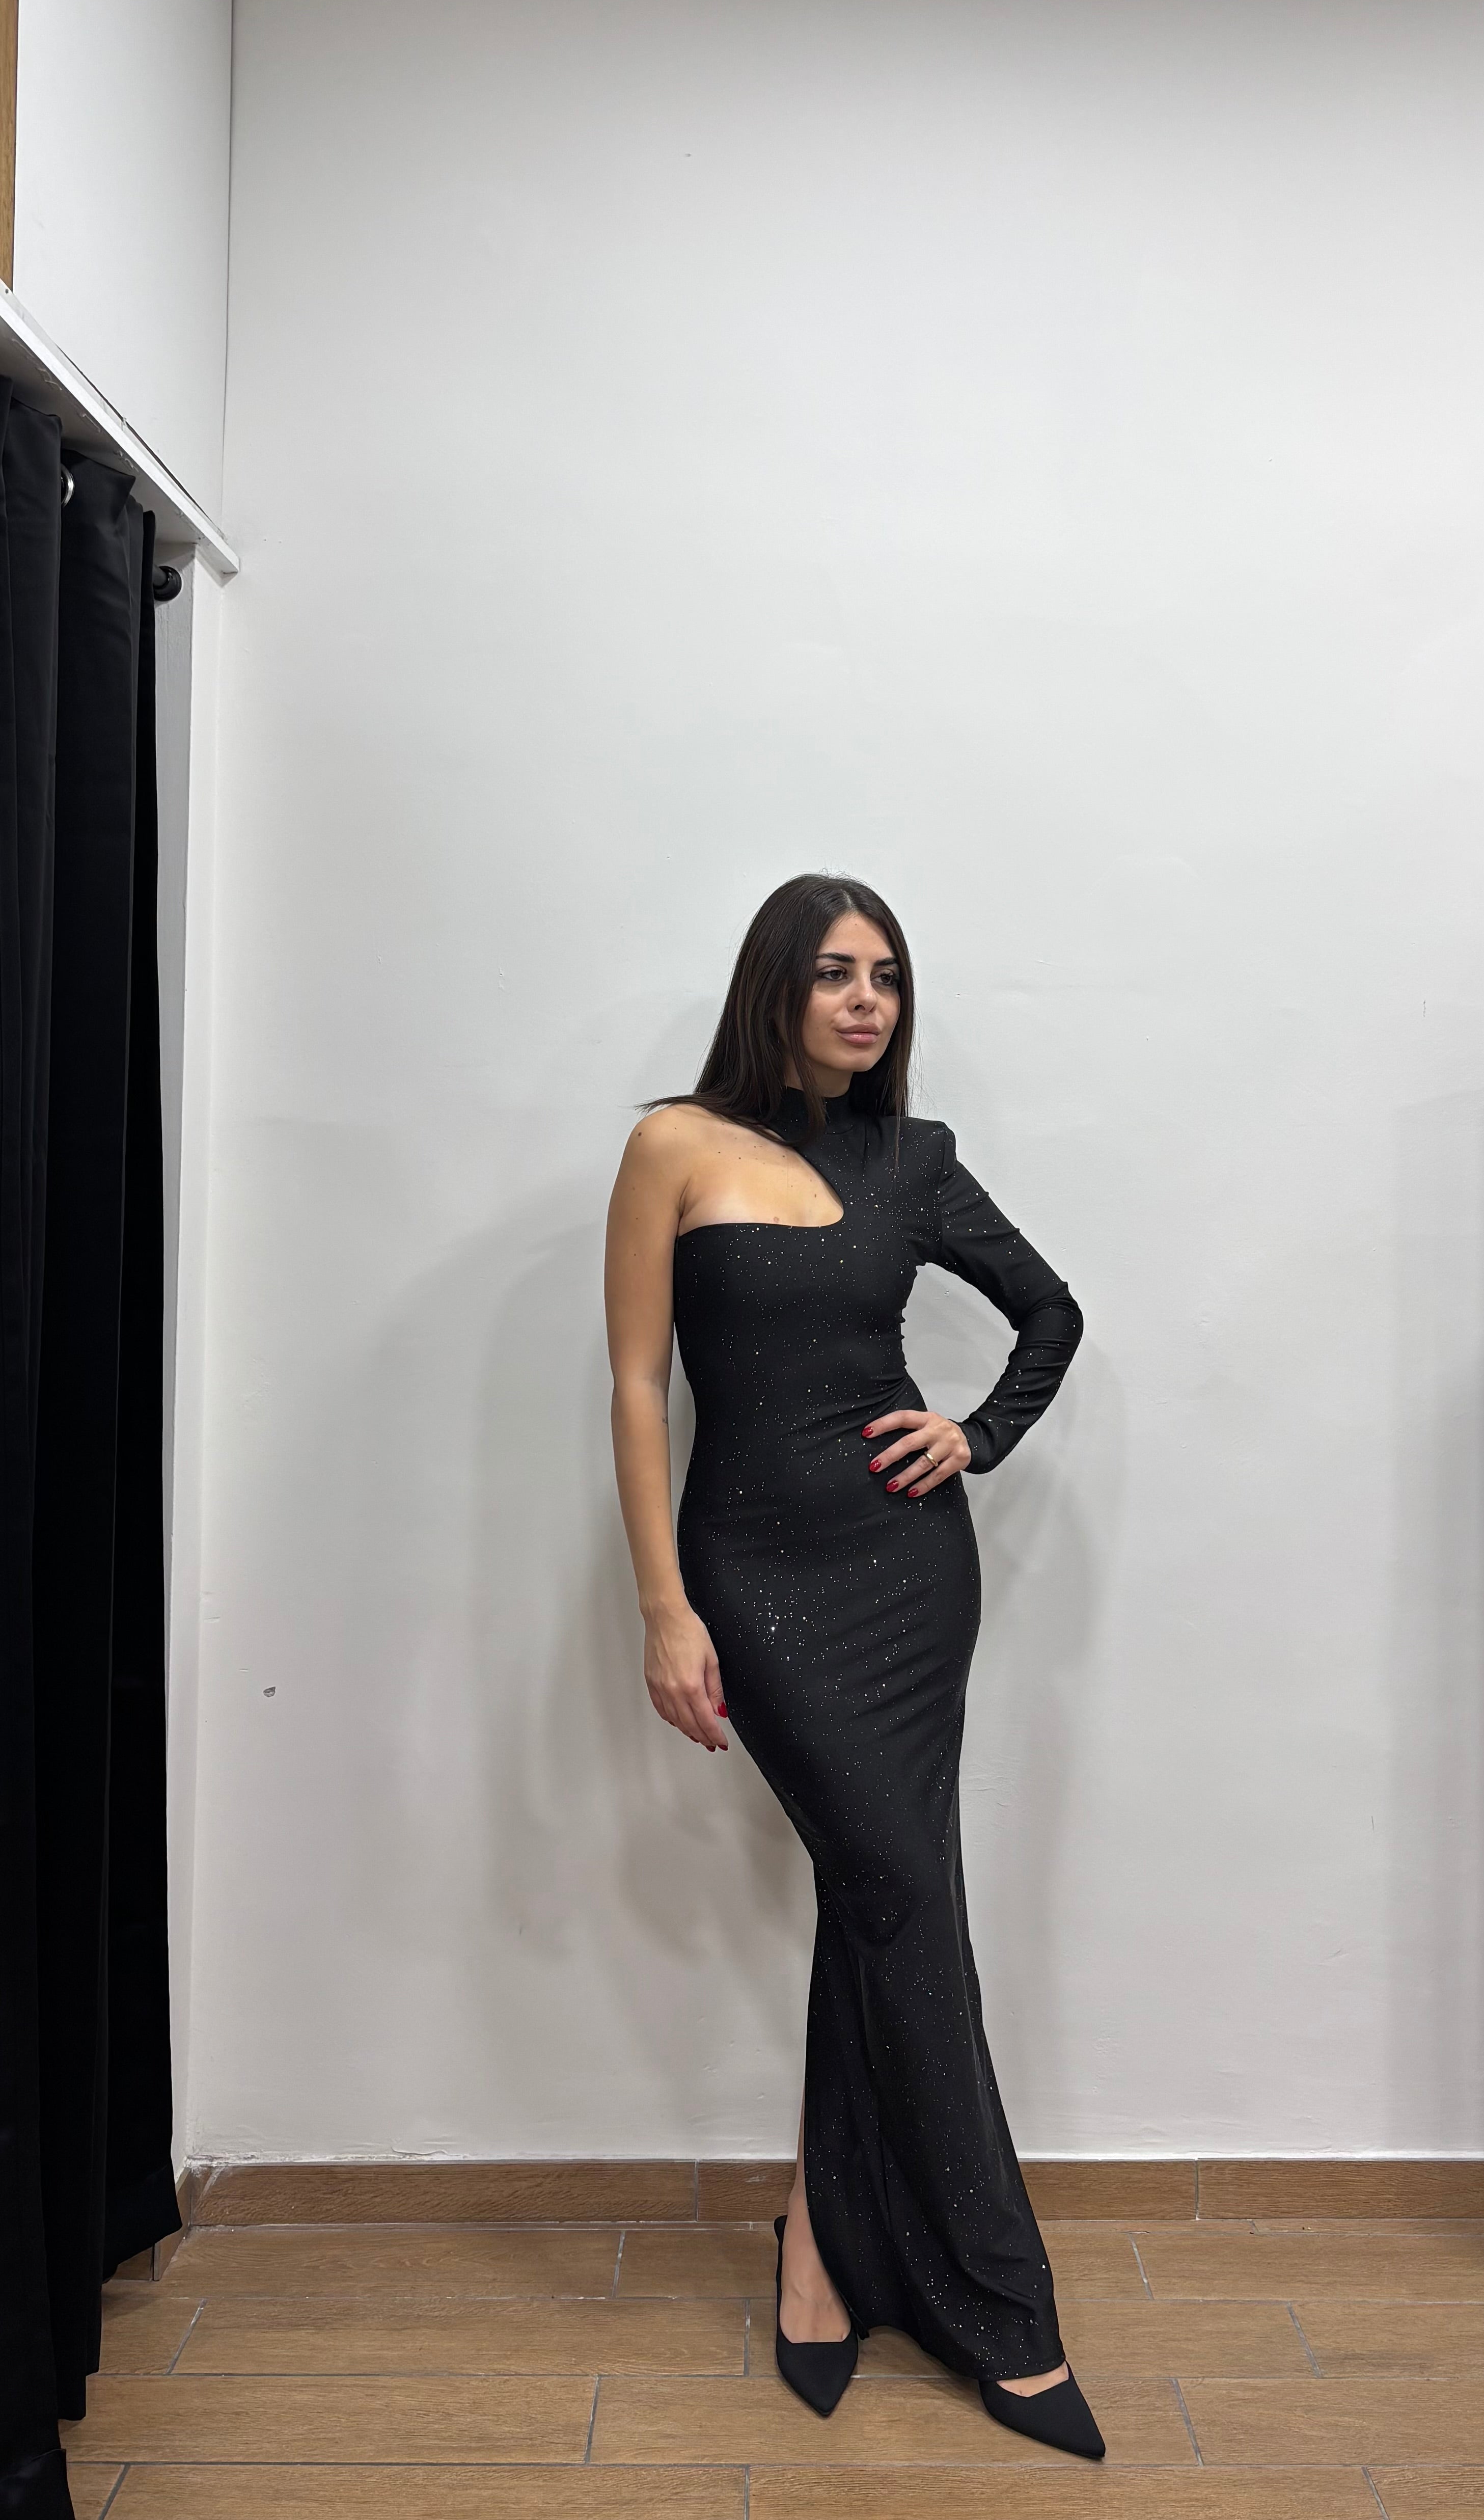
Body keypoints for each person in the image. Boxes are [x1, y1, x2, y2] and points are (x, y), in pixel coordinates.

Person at [604, 873, 1102, 2461]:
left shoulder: (916, 1162)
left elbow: (1050, 1311)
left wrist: (979, 1434)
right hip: (753, 1578)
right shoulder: (676, 1145)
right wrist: (664, 1608)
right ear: (777, 987)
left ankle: (823, 2248)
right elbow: (636, 1385)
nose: (867, 1000)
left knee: (882, 1897)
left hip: (908, 1575)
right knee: (900, 1896)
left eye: (886, 976)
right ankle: (1004, 2310)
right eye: (834, 973)